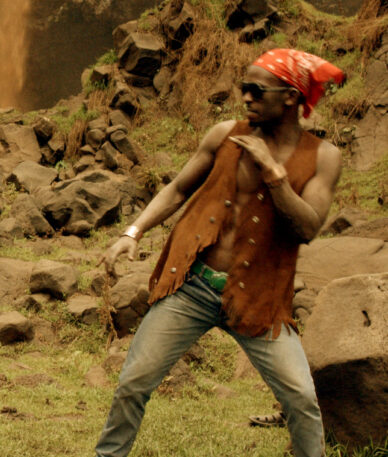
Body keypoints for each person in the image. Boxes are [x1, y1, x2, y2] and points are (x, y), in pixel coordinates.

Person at [95, 48, 345, 457]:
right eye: (244, 88)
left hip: (258, 297)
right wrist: (133, 232)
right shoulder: (224, 134)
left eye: (256, 91)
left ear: (290, 97)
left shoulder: (324, 157)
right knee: (133, 383)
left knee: (301, 399)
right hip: (191, 285)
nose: (245, 97)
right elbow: (178, 189)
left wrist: (274, 174)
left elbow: (308, 228)